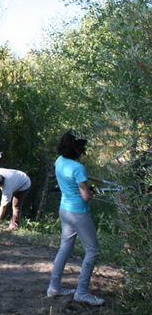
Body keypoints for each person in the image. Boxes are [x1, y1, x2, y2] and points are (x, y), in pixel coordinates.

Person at [47, 131, 104, 306]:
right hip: (78, 212)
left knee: (65, 248)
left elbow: (74, 186)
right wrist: (91, 192)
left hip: (64, 209)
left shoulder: (59, 161)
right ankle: (82, 292)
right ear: (77, 149)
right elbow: (86, 196)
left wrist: (84, 188)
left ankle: (54, 287)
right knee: (93, 250)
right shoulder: (78, 169)